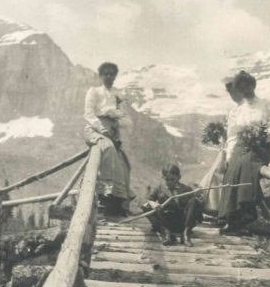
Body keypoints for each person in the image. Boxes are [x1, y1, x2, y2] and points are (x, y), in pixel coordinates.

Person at [217, 70, 270, 232]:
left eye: (248, 87)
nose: (246, 92)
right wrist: (230, 154)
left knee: (246, 164)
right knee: (232, 169)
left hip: (261, 146)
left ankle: (246, 214)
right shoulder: (238, 110)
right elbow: (232, 135)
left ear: (253, 85)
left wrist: (262, 136)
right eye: (242, 89)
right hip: (241, 146)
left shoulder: (266, 104)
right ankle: (232, 218)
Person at [84, 62, 134, 217]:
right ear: (100, 76)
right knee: (108, 149)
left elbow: (127, 120)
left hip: (113, 132)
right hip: (95, 129)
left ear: (115, 76)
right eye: (105, 74)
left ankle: (118, 203)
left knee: (124, 163)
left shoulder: (118, 95)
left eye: (111, 74)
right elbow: (88, 114)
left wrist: (116, 120)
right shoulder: (94, 92)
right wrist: (103, 129)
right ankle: (105, 197)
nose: (108, 77)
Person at [198, 78, 243, 217]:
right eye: (230, 93)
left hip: (237, 147)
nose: (232, 96)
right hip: (227, 146)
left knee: (219, 173)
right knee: (214, 174)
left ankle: (217, 209)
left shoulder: (246, 109)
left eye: (234, 92)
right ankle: (213, 207)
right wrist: (221, 133)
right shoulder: (233, 110)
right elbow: (229, 130)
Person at [143, 164, 203, 246]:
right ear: (163, 178)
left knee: (194, 201)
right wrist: (152, 203)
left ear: (179, 177)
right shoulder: (159, 188)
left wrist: (198, 197)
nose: (169, 182)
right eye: (167, 180)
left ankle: (186, 234)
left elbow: (197, 209)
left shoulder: (186, 189)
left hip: (182, 223)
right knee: (146, 206)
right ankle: (167, 234)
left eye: (172, 179)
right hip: (165, 222)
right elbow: (145, 200)